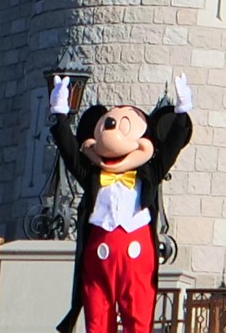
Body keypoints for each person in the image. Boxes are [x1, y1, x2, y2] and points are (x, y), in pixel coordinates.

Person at [50, 76, 192, 333]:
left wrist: (181, 114)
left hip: (137, 259)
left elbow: (170, 151)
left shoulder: (148, 175)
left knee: (137, 318)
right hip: (98, 259)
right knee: (97, 318)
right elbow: (71, 153)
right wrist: (60, 115)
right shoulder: (93, 177)